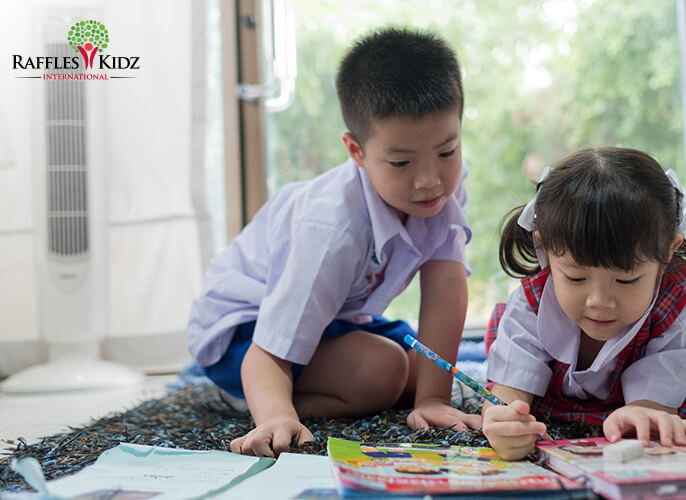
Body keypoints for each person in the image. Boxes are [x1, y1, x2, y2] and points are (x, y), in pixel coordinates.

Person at [187, 27, 481, 458]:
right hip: (242, 334)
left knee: (425, 373)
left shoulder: (444, 187)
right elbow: (268, 347)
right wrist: (274, 416)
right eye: (400, 162)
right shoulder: (332, 229)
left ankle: (317, 386)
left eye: (447, 151)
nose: (429, 180)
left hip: (336, 319)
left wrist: (433, 399)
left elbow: (446, 284)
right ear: (355, 150)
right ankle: (251, 399)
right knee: (384, 371)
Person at [481, 147, 686, 460]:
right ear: (545, 246)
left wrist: (643, 412)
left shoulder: (685, 311)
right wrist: (500, 421)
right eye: (575, 278)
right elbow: (506, 391)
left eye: (625, 281)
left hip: (675, 378)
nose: (599, 302)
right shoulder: (533, 303)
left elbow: (653, 411)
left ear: (668, 251)